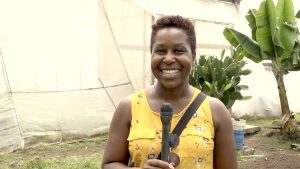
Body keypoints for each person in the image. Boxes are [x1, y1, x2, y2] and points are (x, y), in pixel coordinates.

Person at [101, 15, 237, 169]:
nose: (168, 58)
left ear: (193, 56)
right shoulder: (130, 107)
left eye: (178, 51)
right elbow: (109, 164)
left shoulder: (215, 110)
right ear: (151, 54)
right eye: (160, 51)